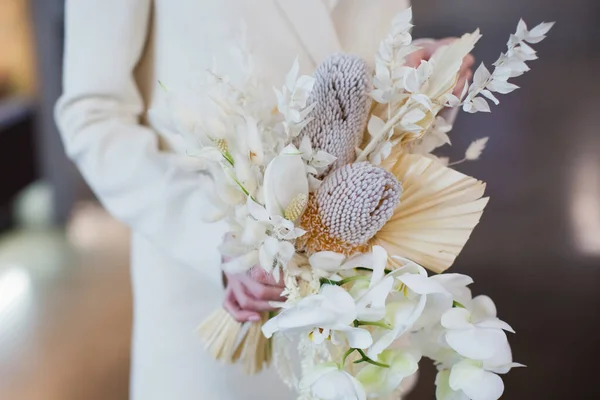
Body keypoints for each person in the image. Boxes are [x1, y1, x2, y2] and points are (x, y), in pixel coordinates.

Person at [55, 0, 473, 398]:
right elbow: (94, 116)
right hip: (216, 314)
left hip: (366, 321)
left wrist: (420, 86)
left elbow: (351, 69)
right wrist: (225, 239)